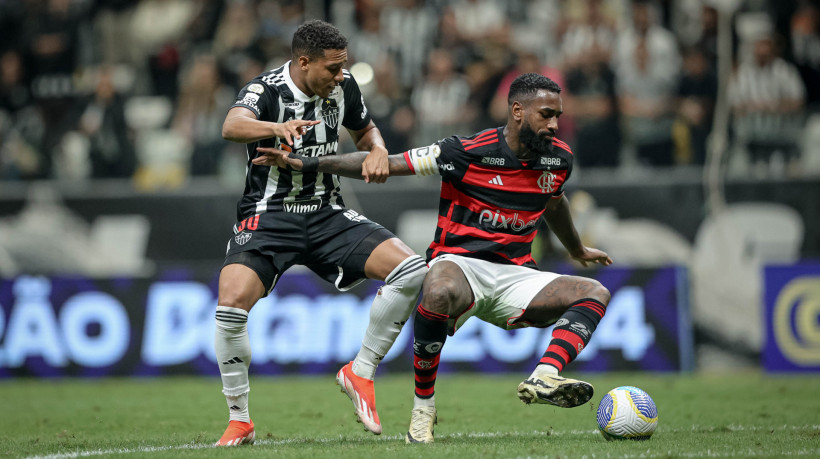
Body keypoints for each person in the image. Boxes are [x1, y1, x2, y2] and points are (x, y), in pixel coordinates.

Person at [256, 73, 614, 444]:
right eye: (546, 115)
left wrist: (576, 250)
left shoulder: (558, 158)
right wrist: (306, 164)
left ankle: (546, 374)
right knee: (438, 289)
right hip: (460, 264)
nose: (554, 124)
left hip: (517, 275)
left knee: (595, 292)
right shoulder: (465, 151)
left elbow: (555, 202)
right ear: (518, 111)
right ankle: (422, 411)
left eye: (557, 115)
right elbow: (387, 163)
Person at [214, 20, 427, 446]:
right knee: (231, 305)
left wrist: (379, 150)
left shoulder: (342, 88)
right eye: (332, 68)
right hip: (270, 214)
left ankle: (359, 371)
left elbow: (365, 130)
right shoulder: (266, 90)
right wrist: (276, 128)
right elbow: (231, 125)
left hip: (328, 213)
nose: (341, 76)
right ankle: (240, 419)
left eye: (343, 67)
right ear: (304, 62)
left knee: (412, 269)